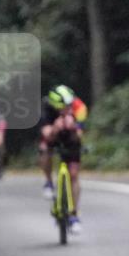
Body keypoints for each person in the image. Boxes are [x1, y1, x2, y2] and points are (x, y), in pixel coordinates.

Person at [39, 85, 87, 233]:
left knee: (73, 174)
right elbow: (46, 134)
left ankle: (74, 214)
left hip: (70, 139)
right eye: (63, 107)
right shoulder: (46, 109)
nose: (66, 109)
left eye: (68, 106)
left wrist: (73, 128)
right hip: (53, 136)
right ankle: (48, 182)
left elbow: (80, 135)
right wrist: (55, 128)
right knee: (44, 149)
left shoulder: (79, 107)